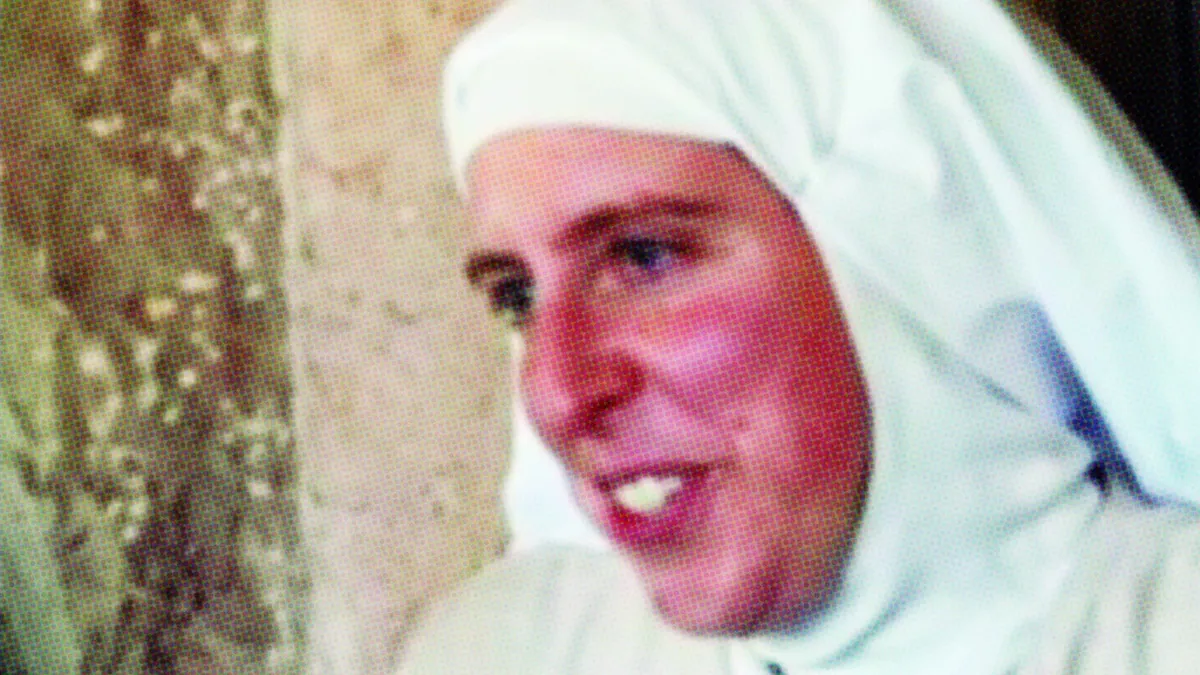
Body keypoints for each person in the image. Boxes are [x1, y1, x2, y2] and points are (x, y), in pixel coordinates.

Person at [398, 0, 1200, 673]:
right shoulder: (508, 653)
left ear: (904, 251)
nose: (558, 394)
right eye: (517, 294)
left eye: (644, 256)